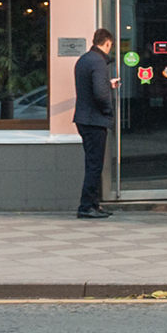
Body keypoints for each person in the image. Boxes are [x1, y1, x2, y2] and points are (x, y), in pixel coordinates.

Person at [73, 28, 117, 220]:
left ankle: (93, 204)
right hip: (94, 120)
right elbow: (99, 94)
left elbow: (91, 87)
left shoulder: (84, 59)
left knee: (93, 163)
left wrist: (108, 85)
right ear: (108, 43)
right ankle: (86, 206)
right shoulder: (98, 62)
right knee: (94, 165)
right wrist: (108, 110)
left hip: (84, 118)